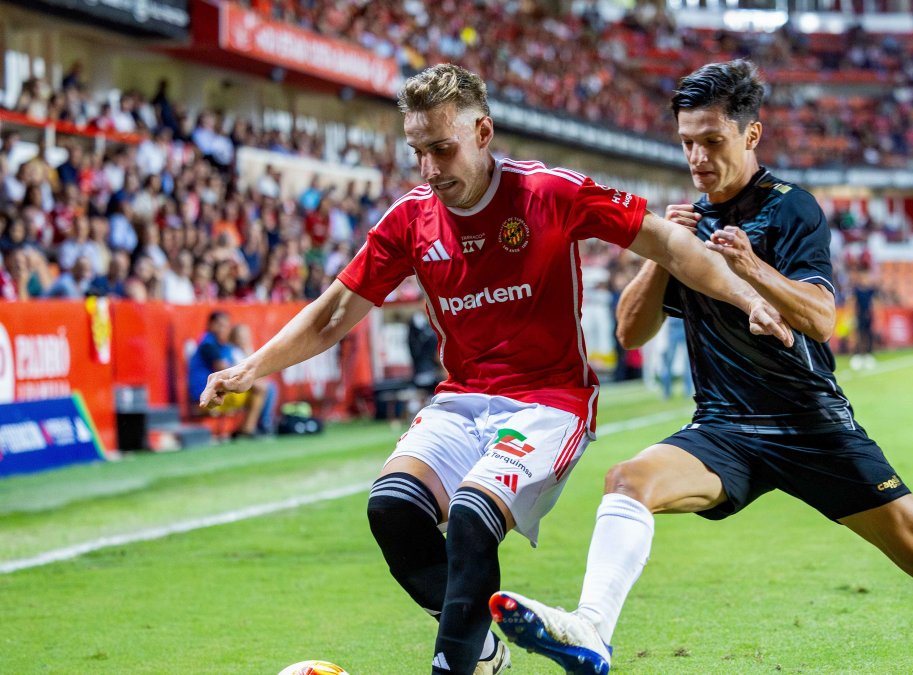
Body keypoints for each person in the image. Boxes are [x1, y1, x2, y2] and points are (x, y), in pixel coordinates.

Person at [490, 60, 913, 675]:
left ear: (751, 135)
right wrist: (664, 253)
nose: (697, 157)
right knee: (627, 480)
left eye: (712, 141)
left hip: (811, 425)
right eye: (687, 143)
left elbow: (820, 318)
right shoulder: (688, 224)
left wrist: (751, 267)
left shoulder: (792, 209)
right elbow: (632, 332)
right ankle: (592, 631)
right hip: (726, 430)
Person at [197, 64, 791, 675]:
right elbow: (332, 313)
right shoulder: (409, 219)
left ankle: (456, 664)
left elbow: (667, 242)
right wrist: (252, 367)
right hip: (461, 399)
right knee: (392, 509)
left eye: (442, 149)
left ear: (482, 132)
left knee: (472, 520)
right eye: (417, 152)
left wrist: (747, 297)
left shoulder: (549, 192)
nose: (429, 169)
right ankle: (480, 650)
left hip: (549, 403)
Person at [188, 311, 267, 438]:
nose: (223, 329)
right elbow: (225, 370)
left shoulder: (223, 346)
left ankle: (253, 427)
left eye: (226, 325)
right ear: (210, 325)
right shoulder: (208, 343)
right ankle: (248, 428)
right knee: (260, 388)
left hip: (217, 392)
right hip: (205, 396)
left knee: (264, 387)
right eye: (219, 325)